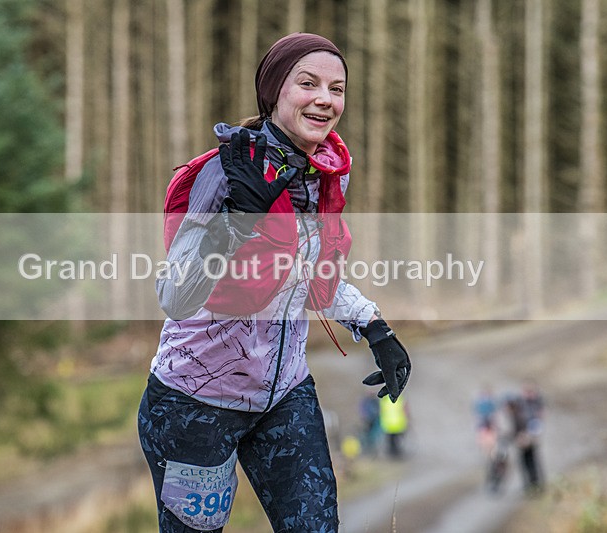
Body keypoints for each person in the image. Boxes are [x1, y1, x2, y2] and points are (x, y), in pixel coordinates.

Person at [137, 33, 411, 532]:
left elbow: (311, 272)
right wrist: (238, 225)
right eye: (308, 83)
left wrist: (374, 326)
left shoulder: (327, 174)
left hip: (284, 396)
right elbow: (175, 296)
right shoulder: (225, 172)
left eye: (337, 88)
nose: (325, 98)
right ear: (274, 93)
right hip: (194, 406)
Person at [379, 394, 409, 459]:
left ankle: (392, 456)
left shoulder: (384, 399)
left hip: (388, 424)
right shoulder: (400, 398)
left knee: (391, 443)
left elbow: (381, 411)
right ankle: (396, 456)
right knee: (397, 442)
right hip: (398, 424)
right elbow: (405, 411)